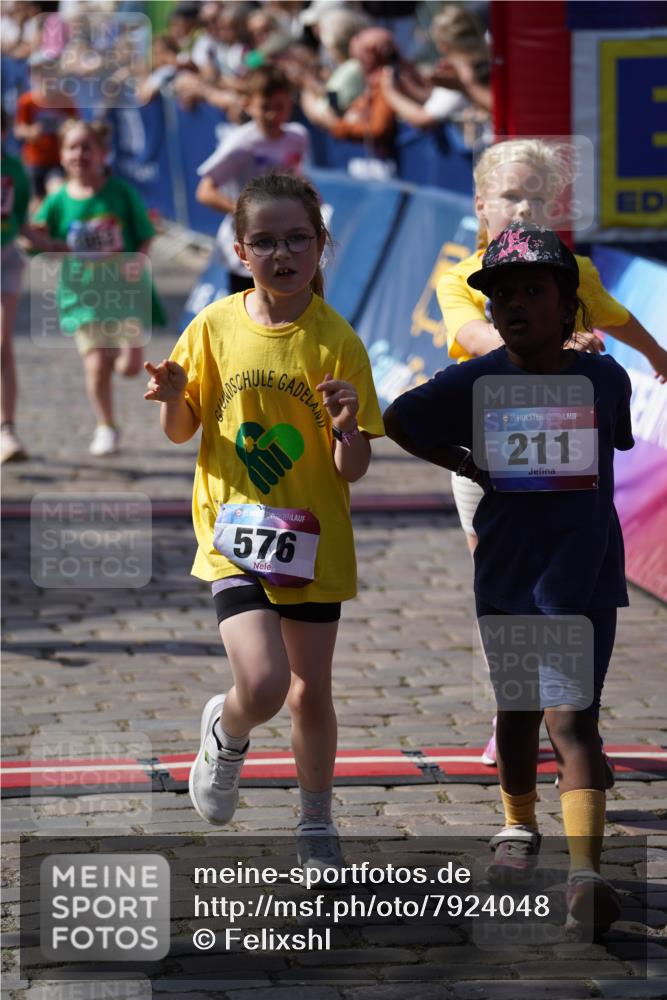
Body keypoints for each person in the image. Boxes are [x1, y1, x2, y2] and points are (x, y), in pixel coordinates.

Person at [384, 221, 633, 935]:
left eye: (533, 289)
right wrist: (466, 462)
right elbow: (402, 418)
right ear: (487, 312)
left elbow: (613, 435)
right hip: (510, 576)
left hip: (583, 578)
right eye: (501, 296)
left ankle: (584, 873)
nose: (515, 305)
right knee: (520, 710)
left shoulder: (603, 377)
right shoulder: (477, 378)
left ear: (568, 305)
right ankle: (518, 825)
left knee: (573, 718)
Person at [144, 172, 384, 874]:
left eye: (297, 239)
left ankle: (315, 822)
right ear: (241, 251)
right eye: (265, 241)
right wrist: (171, 396)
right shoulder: (214, 325)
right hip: (233, 532)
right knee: (264, 681)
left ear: (321, 245)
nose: (283, 254)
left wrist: (347, 429)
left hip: (311, 541)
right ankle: (228, 730)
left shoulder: (338, 341)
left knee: (311, 690)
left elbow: (353, 468)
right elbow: (180, 430)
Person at [437, 138, 667, 767]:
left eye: (537, 197)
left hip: (565, 459)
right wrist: (553, 336)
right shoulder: (458, 279)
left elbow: (618, 317)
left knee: (562, 586)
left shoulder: (574, 272)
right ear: (482, 205)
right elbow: (474, 333)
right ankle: (513, 708)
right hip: (483, 459)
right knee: (502, 589)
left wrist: (657, 357)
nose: (523, 207)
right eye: (510, 196)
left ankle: (566, 715)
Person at [32, 119, 165, 456]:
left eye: (87, 147)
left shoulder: (120, 192)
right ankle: (106, 426)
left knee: (130, 366)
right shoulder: (59, 199)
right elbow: (38, 234)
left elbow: (146, 232)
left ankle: (117, 362)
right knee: (95, 365)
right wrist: (35, 236)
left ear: (103, 154)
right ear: (61, 155)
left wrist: (140, 258)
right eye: (72, 147)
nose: (80, 154)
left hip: (126, 294)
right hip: (84, 297)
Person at [195, 65, 310, 296]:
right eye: (265, 107)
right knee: (251, 317)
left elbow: (296, 175)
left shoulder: (297, 137)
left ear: (290, 103)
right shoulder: (241, 143)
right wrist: (247, 211)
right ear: (248, 104)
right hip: (250, 250)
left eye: (279, 107)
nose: (272, 115)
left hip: (285, 244)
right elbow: (205, 191)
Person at [1, 108, 31, 463]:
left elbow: (22, 221)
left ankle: (6, 429)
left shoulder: (14, 171)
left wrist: (52, 244)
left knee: (1, 342)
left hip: (6, 259)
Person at [14, 58, 78, 200]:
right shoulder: (27, 101)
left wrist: (65, 127)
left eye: (48, 71)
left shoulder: (65, 100)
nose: (45, 75)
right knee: (36, 200)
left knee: (56, 190)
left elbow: (77, 126)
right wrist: (33, 131)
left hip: (59, 159)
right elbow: (19, 130)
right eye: (39, 72)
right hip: (34, 160)